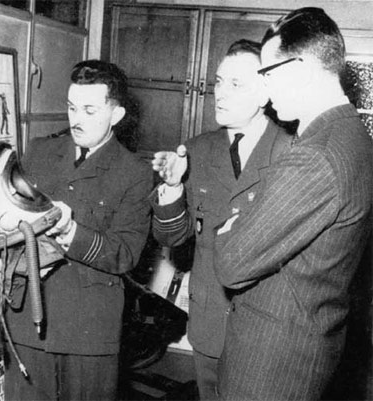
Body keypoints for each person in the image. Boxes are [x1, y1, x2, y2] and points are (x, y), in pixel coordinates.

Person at [213, 8, 373, 400]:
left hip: (271, 364)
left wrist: (232, 228)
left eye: (267, 73)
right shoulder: (353, 135)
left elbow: (232, 265)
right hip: (308, 341)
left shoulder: (315, 155)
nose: (266, 92)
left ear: (299, 68)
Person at [4, 59, 153, 400]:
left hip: (89, 332)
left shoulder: (135, 173)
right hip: (28, 322)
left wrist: (71, 230)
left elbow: (125, 254)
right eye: (72, 107)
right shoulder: (39, 151)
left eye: (89, 110)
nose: (76, 119)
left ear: (116, 114)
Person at [150, 39, 291, 400]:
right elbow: (172, 239)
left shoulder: (291, 152)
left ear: (264, 93)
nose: (220, 93)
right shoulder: (197, 150)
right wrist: (172, 189)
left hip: (266, 330)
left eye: (235, 84)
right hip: (210, 323)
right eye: (218, 81)